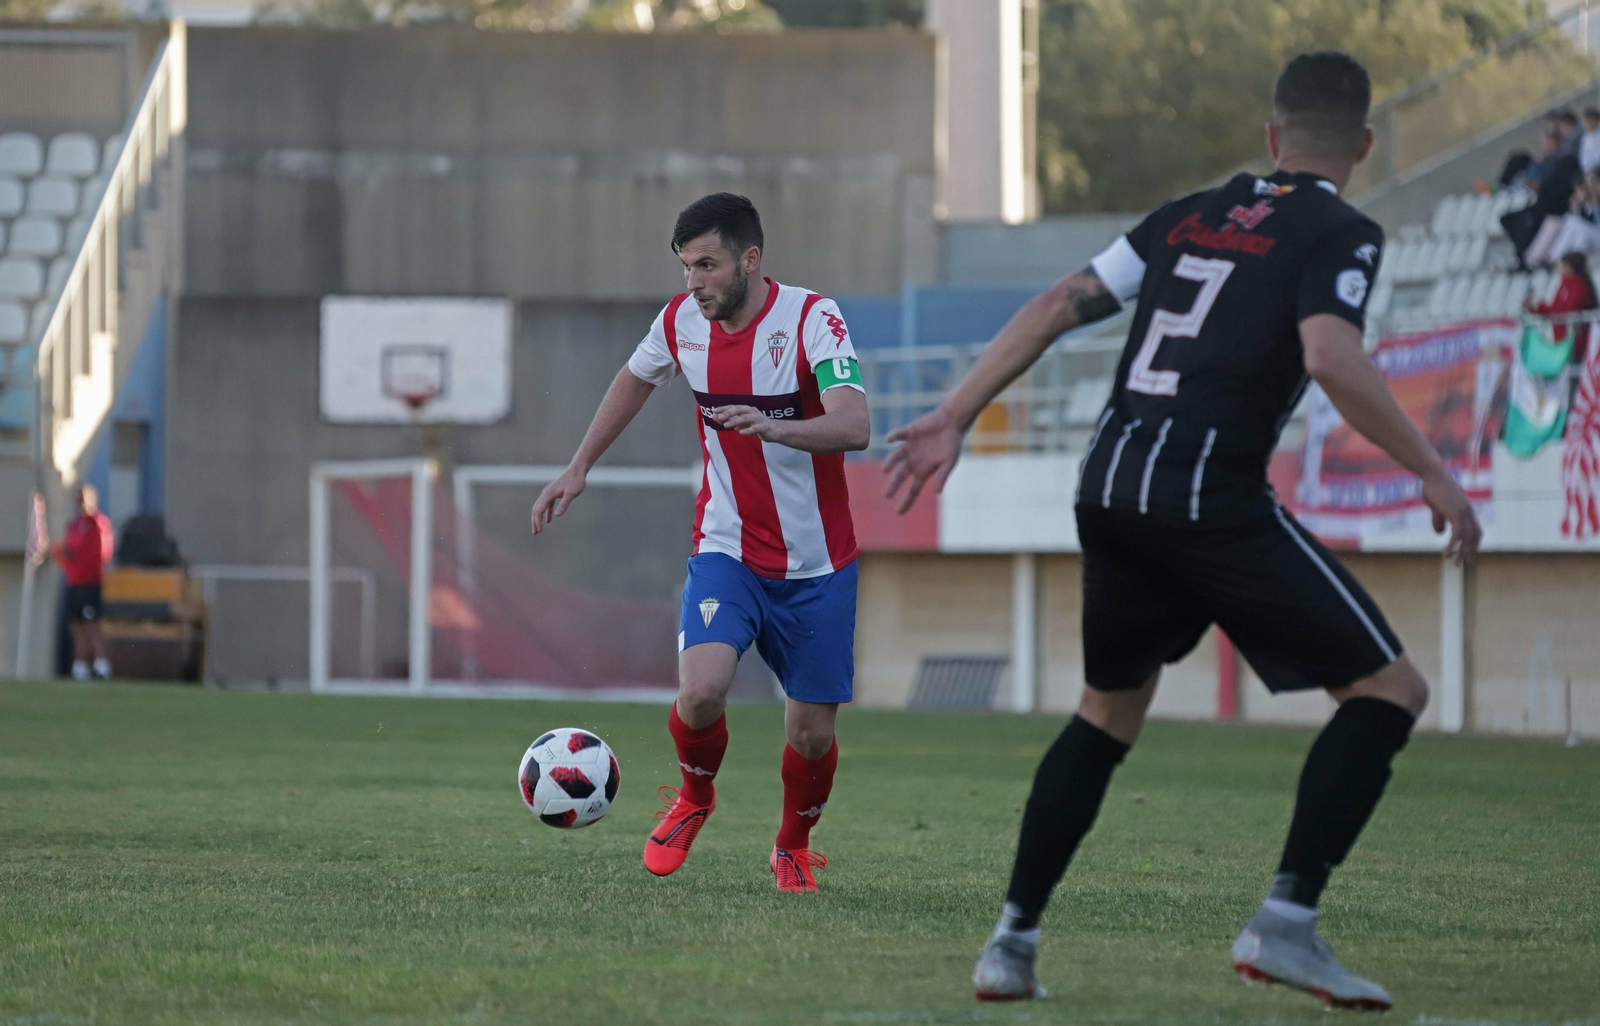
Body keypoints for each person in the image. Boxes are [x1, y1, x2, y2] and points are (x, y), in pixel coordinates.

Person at [883, 52, 1481, 1011]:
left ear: (1271, 135)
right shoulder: (1341, 230)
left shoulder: (1187, 215)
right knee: (1390, 689)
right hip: (1206, 495)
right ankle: (1286, 926)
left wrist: (954, 411)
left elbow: (1053, 305)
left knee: (1106, 713)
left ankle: (1011, 944)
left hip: (1111, 486)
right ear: (1363, 144)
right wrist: (1433, 469)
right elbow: (1330, 354)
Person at [530, 193, 869, 893]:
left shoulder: (813, 319)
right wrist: (578, 465)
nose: (694, 282)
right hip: (728, 549)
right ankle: (693, 797)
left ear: (750, 259)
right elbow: (634, 378)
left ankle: (793, 843)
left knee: (810, 736)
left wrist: (777, 427)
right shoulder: (680, 323)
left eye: (708, 265)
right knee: (702, 689)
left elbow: (855, 424)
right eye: (687, 266)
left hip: (817, 566)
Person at [51, 484, 114, 680]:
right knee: (77, 627)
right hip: (74, 582)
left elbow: (100, 553)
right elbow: (68, 552)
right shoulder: (74, 524)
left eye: (83, 497)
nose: (80, 501)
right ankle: (80, 667)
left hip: (90, 582)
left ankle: (102, 665)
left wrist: (74, 556)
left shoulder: (97, 522)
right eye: (77, 497)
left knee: (92, 624)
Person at [1504, 125, 1584, 268]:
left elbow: (1564, 187)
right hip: (1542, 203)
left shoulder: (1567, 161)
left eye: (1550, 145)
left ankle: (1525, 260)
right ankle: (1522, 257)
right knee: (1508, 219)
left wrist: (1543, 187)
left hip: (1554, 206)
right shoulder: (1547, 162)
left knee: (1530, 223)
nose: (1547, 148)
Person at [1525, 251, 1598, 364]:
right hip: (1562, 343)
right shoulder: (1564, 284)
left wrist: (1542, 308)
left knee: (1574, 374)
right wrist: (1535, 308)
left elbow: (1569, 309)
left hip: (1575, 342)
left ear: (1569, 266)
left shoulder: (1580, 286)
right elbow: (1555, 309)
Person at [1578, 107, 1600, 174]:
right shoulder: (1585, 138)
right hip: (1591, 171)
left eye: (1591, 120)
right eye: (1587, 121)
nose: (1589, 123)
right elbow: (1584, 159)